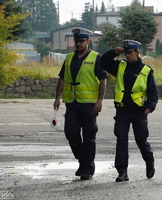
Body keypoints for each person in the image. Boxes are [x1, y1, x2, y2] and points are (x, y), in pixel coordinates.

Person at [53, 28, 107, 180]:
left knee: (89, 136)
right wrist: (58, 97)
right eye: (76, 41)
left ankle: (86, 169)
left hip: (89, 104)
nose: (78, 44)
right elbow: (62, 78)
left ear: (88, 41)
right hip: (72, 103)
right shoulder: (69, 58)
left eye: (81, 41)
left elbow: (103, 81)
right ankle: (84, 162)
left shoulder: (96, 57)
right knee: (70, 133)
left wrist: (100, 101)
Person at [100, 40, 158, 182]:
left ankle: (149, 161)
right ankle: (122, 172)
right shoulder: (120, 66)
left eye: (130, 52)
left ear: (137, 52)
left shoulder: (146, 70)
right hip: (123, 110)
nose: (128, 55)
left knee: (141, 141)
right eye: (126, 53)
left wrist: (150, 107)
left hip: (139, 111)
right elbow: (103, 61)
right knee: (121, 140)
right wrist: (115, 52)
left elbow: (152, 91)